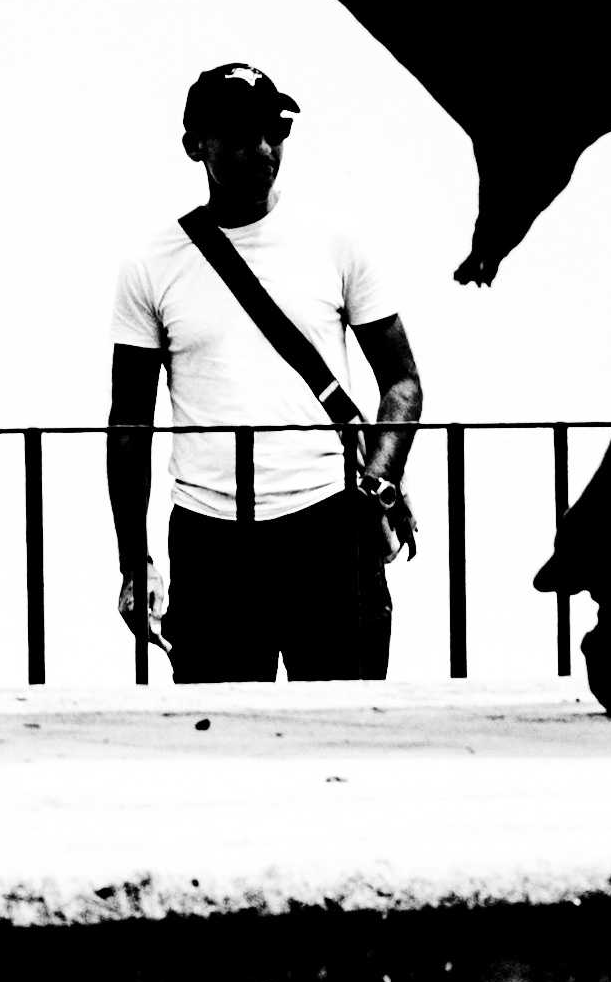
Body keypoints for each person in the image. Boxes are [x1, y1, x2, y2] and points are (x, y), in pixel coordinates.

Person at [108, 62, 422, 682]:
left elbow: (402, 381)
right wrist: (133, 562)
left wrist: (378, 486)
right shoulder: (152, 266)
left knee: (348, 728)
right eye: (239, 135)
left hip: (330, 525)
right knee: (216, 731)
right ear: (195, 145)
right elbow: (129, 425)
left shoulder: (334, 243)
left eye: (275, 131)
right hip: (210, 539)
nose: (262, 149)